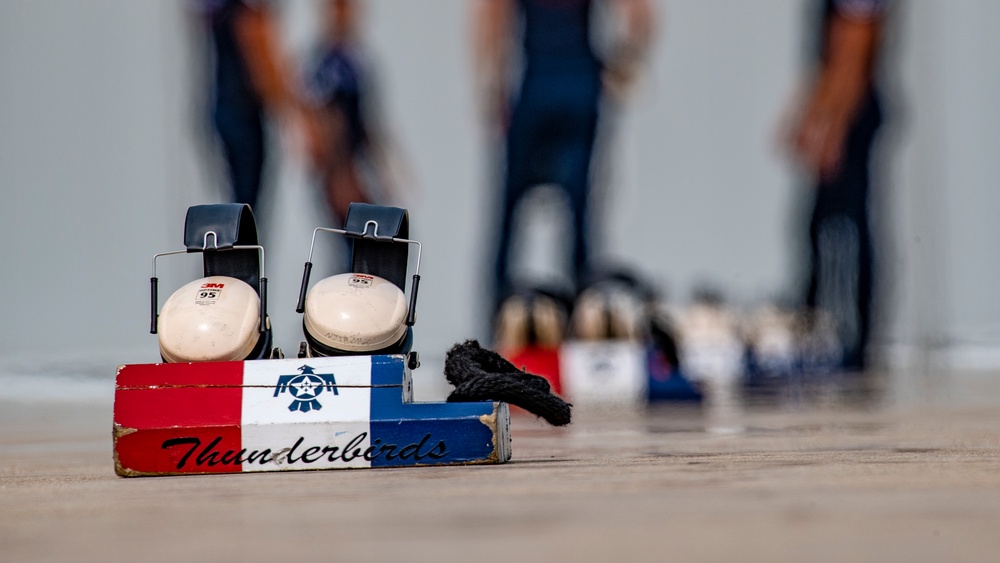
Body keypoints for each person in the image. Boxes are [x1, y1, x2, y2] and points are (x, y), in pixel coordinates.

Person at [473, 0, 656, 316]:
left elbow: (491, 19)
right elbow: (640, 14)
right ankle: (579, 317)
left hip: (535, 84)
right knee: (579, 213)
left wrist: (491, 88)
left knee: (510, 214)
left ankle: (498, 320)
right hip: (580, 85)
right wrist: (625, 62)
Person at [784, 0, 889, 371]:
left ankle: (851, 339)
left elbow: (852, 50)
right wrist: (807, 113)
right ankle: (823, 332)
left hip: (852, 114)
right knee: (821, 227)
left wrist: (834, 127)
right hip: (842, 112)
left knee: (845, 231)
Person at [193, 0, 322, 212]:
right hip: (242, 117)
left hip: (227, 111)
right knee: (246, 207)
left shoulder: (227, 12)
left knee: (239, 203)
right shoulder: (247, 14)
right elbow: (264, 73)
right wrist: (297, 121)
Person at [306, 0, 399, 228]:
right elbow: (325, 122)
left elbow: (367, 122)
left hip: (359, 167)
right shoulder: (327, 64)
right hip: (340, 172)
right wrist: (340, 175)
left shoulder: (355, 62)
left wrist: (387, 170)